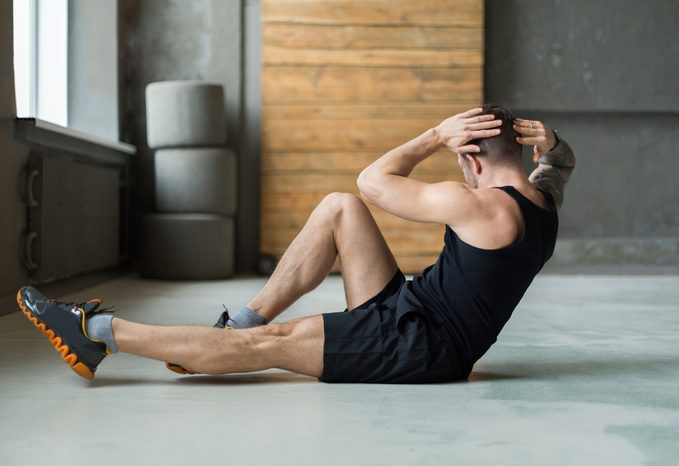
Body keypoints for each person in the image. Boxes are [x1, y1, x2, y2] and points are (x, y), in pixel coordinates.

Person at [17, 104, 575, 383]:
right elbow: (560, 164)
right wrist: (554, 144)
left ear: (472, 158)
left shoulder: (474, 204)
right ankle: (241, 322)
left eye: (462, 160)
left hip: (421, 351)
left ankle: (95, 334)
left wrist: (433, 136)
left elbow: (373, 179)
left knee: (275, 345)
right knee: (339, 209)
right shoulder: (544, 201)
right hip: (412, 310)